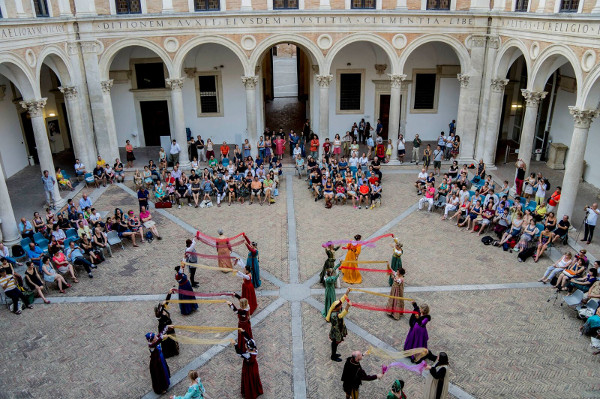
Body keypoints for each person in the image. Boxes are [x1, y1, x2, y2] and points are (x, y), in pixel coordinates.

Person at [237, 330, 263, 399]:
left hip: (248, 369)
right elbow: (248, 338)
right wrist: (243, 332)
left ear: (248, 348)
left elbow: (239, 353)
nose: (245, 345)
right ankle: (257, 390)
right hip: (254, 366)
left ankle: (250, 393)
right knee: (254, 380)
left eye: (246, 345)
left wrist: (235, 344)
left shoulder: (248, 355)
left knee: (249, 380)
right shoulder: (254, 347)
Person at [146, 325, 171, 394]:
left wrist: (166, 328)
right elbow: (158, 341)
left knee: (164, 371)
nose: (156, 337)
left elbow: (159, 335)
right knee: (159, 375)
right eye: (154, 337)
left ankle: (166, 382)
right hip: (157, 362)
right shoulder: (151, 345)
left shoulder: (155, 340)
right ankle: (161, 388)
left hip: (161, 358)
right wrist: (162, 337)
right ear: (152, 339)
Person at [326, 292, 351, 361]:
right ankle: (333, 356)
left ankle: (334, 354)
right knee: (335, 343)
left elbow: (342, 300)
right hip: (336, 331)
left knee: (335, 344)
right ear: (337, 307)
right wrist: (347, 307)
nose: (341, 306)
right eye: (340, 306)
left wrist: (347, 292)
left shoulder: (336, 309)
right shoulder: (334, 315)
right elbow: (341, 315)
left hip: (338, 330)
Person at [156, 294, 180, 358]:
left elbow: (167, 301)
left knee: (172, 339)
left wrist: (169, 293)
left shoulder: (163, 310)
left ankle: (174, 350)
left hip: (170, 326)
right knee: (168, 341)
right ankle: (169, 353)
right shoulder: (161, 317)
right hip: (166, 328)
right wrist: (168, 327)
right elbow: (162, 327)